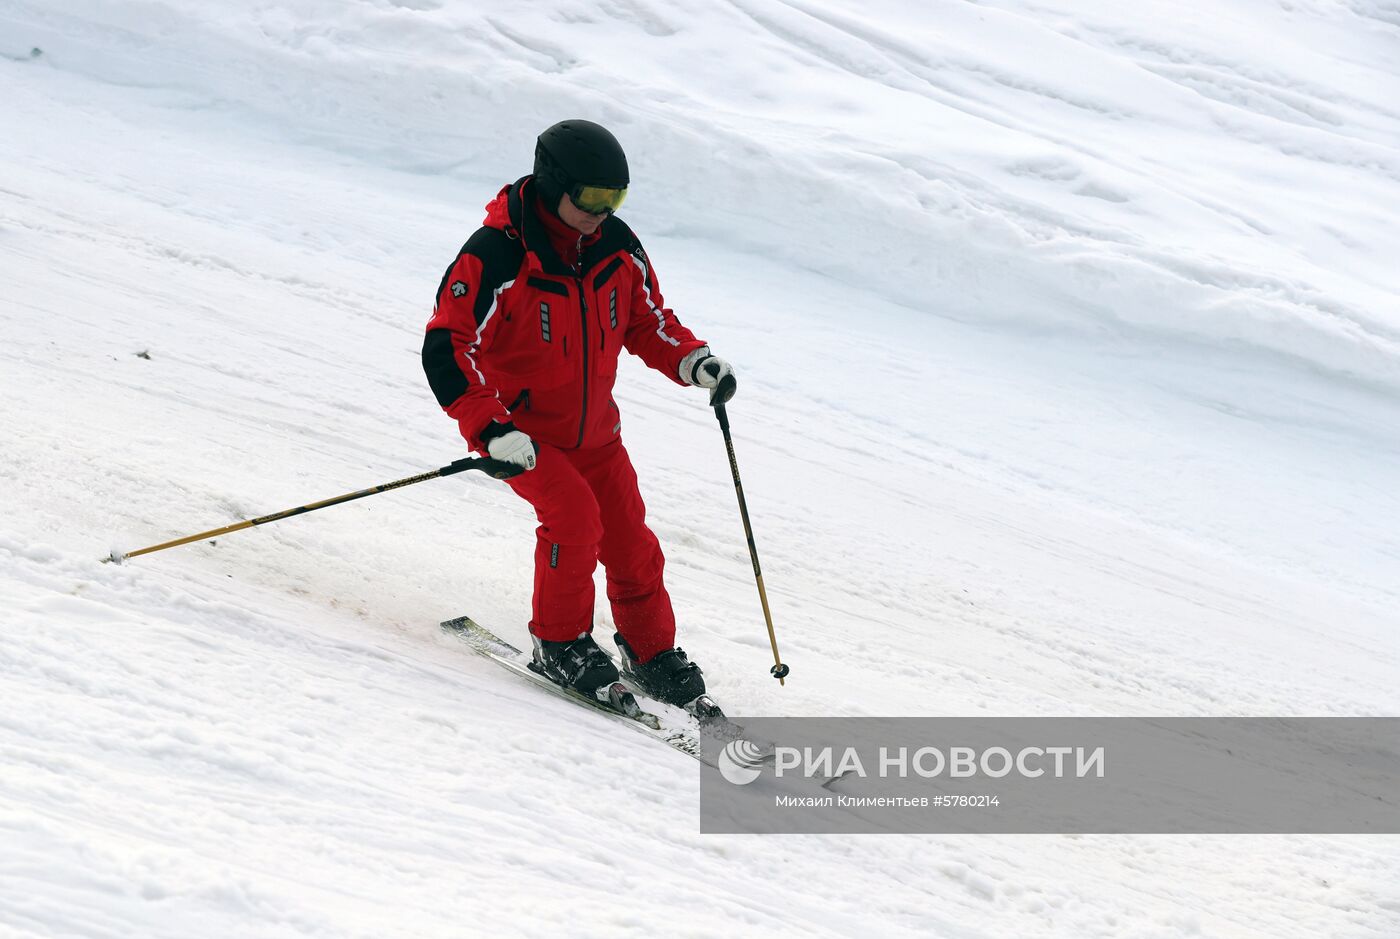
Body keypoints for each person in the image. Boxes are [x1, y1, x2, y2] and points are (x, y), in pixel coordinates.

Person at [422, 119, 735, 708]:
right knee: (573, 520)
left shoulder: (616, 246)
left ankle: (649, 653)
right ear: (552, 184)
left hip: (597, 436)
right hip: (524, 437)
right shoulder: (495, 254)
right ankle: (559, 643)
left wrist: (694, 361)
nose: (603, 211)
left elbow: (648, 320)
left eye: (615, 198)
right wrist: (490, 428)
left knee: (630, 543)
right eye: (592, 198)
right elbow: (446, 345)